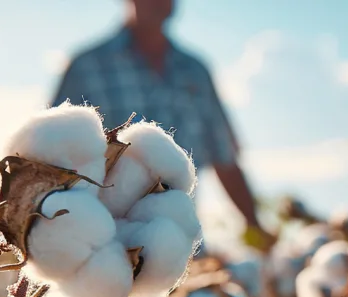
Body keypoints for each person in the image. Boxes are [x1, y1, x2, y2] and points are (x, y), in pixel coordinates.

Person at [53, 0, 272, 246]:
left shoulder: (195, 71)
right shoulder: (87, 67)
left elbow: (225, 159)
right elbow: (51, 158)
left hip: (181, 248)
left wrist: (255, 226)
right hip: (102, 248)